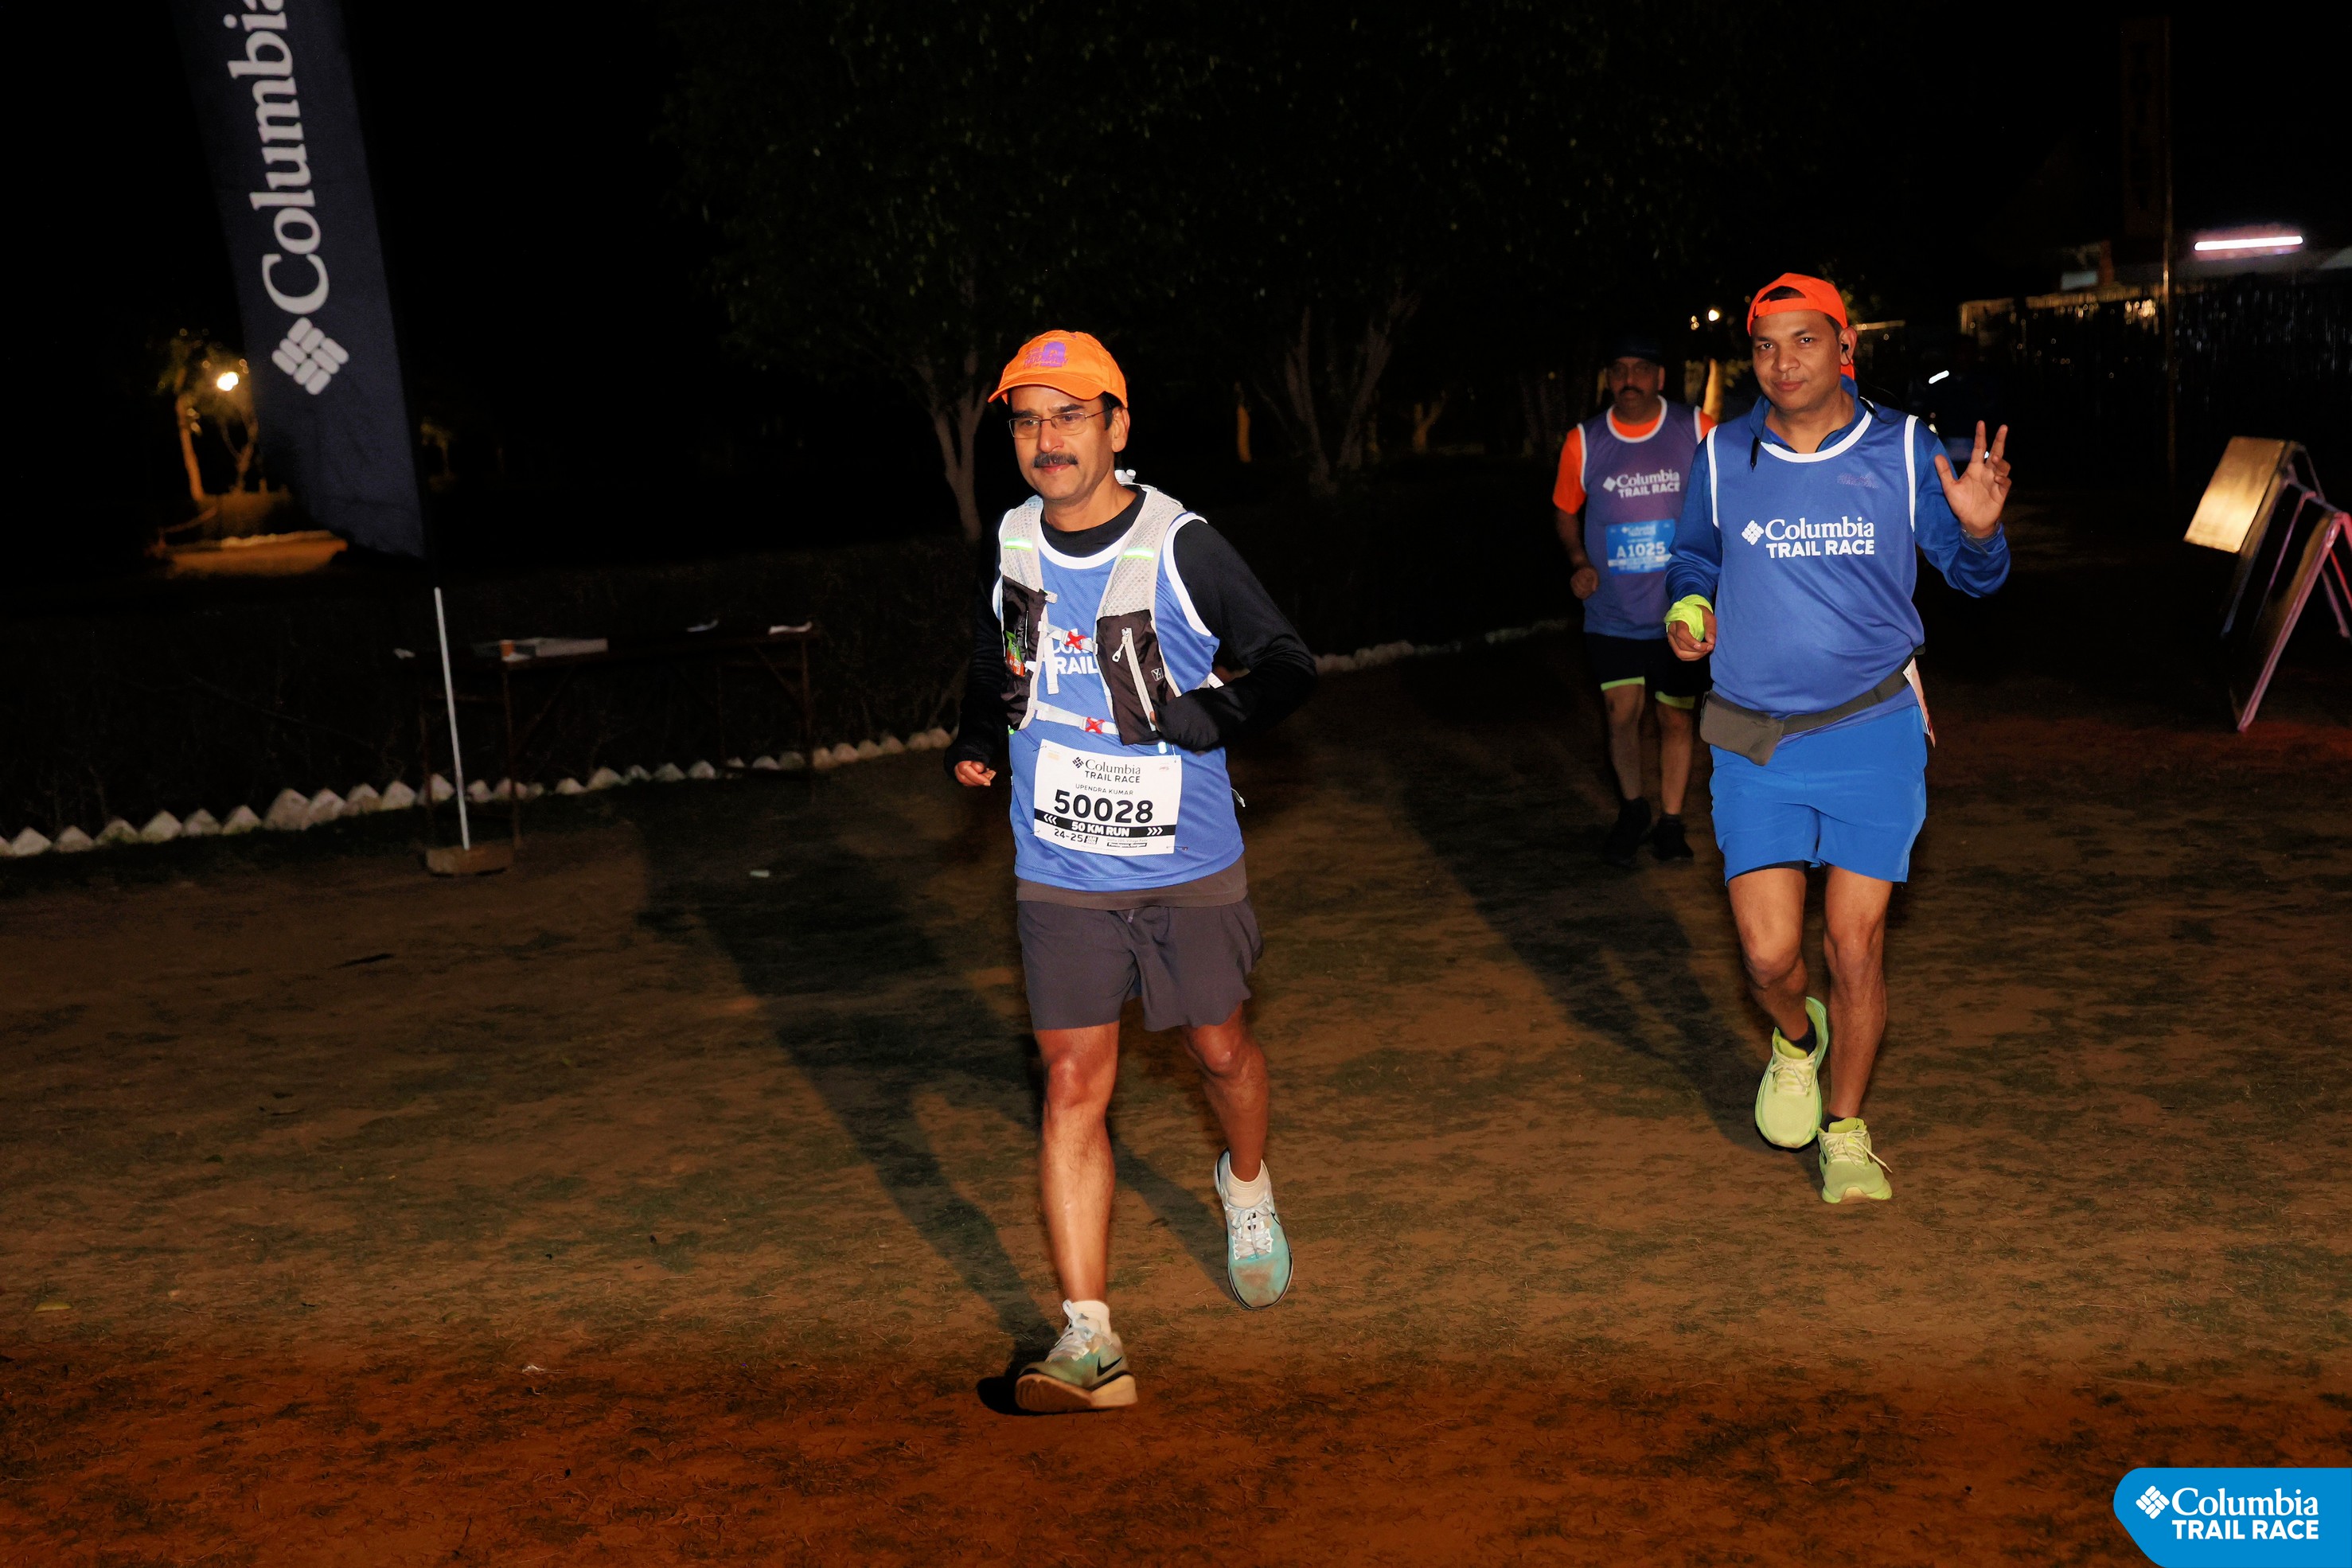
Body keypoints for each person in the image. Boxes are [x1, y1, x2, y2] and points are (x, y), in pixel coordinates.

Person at [946, 330, 1318, 1412]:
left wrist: (1217, 714)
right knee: (1071, 1084)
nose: (1046, 440)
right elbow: (995, 652)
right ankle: (1088, 1336)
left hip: (1184, 862)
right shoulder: (1012, 537)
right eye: (1027, 421)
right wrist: (978, 728)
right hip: (1058, 862)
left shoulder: (1182, 545)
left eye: (1069, 416)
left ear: (1117, 425)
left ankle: (1244, 1182)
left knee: (1218, 1048)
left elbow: (1289, 662)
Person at [1664, 274, 2012, 1204]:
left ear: (1845, 346)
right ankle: (1797, 1038)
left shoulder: (1902, 447)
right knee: (1769, 955)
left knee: (1856, 946)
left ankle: (1847, 1128)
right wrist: (1689, 604)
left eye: (1804, 340)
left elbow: (1974, 575)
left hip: (1873, 727)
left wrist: (1981, 535)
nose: (1782, 362)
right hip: (1751, 734)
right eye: (1765, 345)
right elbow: (1694, 553)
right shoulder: (1722, 451)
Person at [1552, 333, 1716, 866]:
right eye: (1619, 369)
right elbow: (1565, 510)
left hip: (1679, 613)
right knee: (1620, 713)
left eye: (1640, 369)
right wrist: (1579, 561)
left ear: (1659, 378)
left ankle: (1671, 821)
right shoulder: (1584, 440)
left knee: (1675, 720)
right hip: (1612, 614)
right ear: (1608, 378)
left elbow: (1730, 497)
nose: (1629, 380)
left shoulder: (1697, 428)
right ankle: (1632, 811)